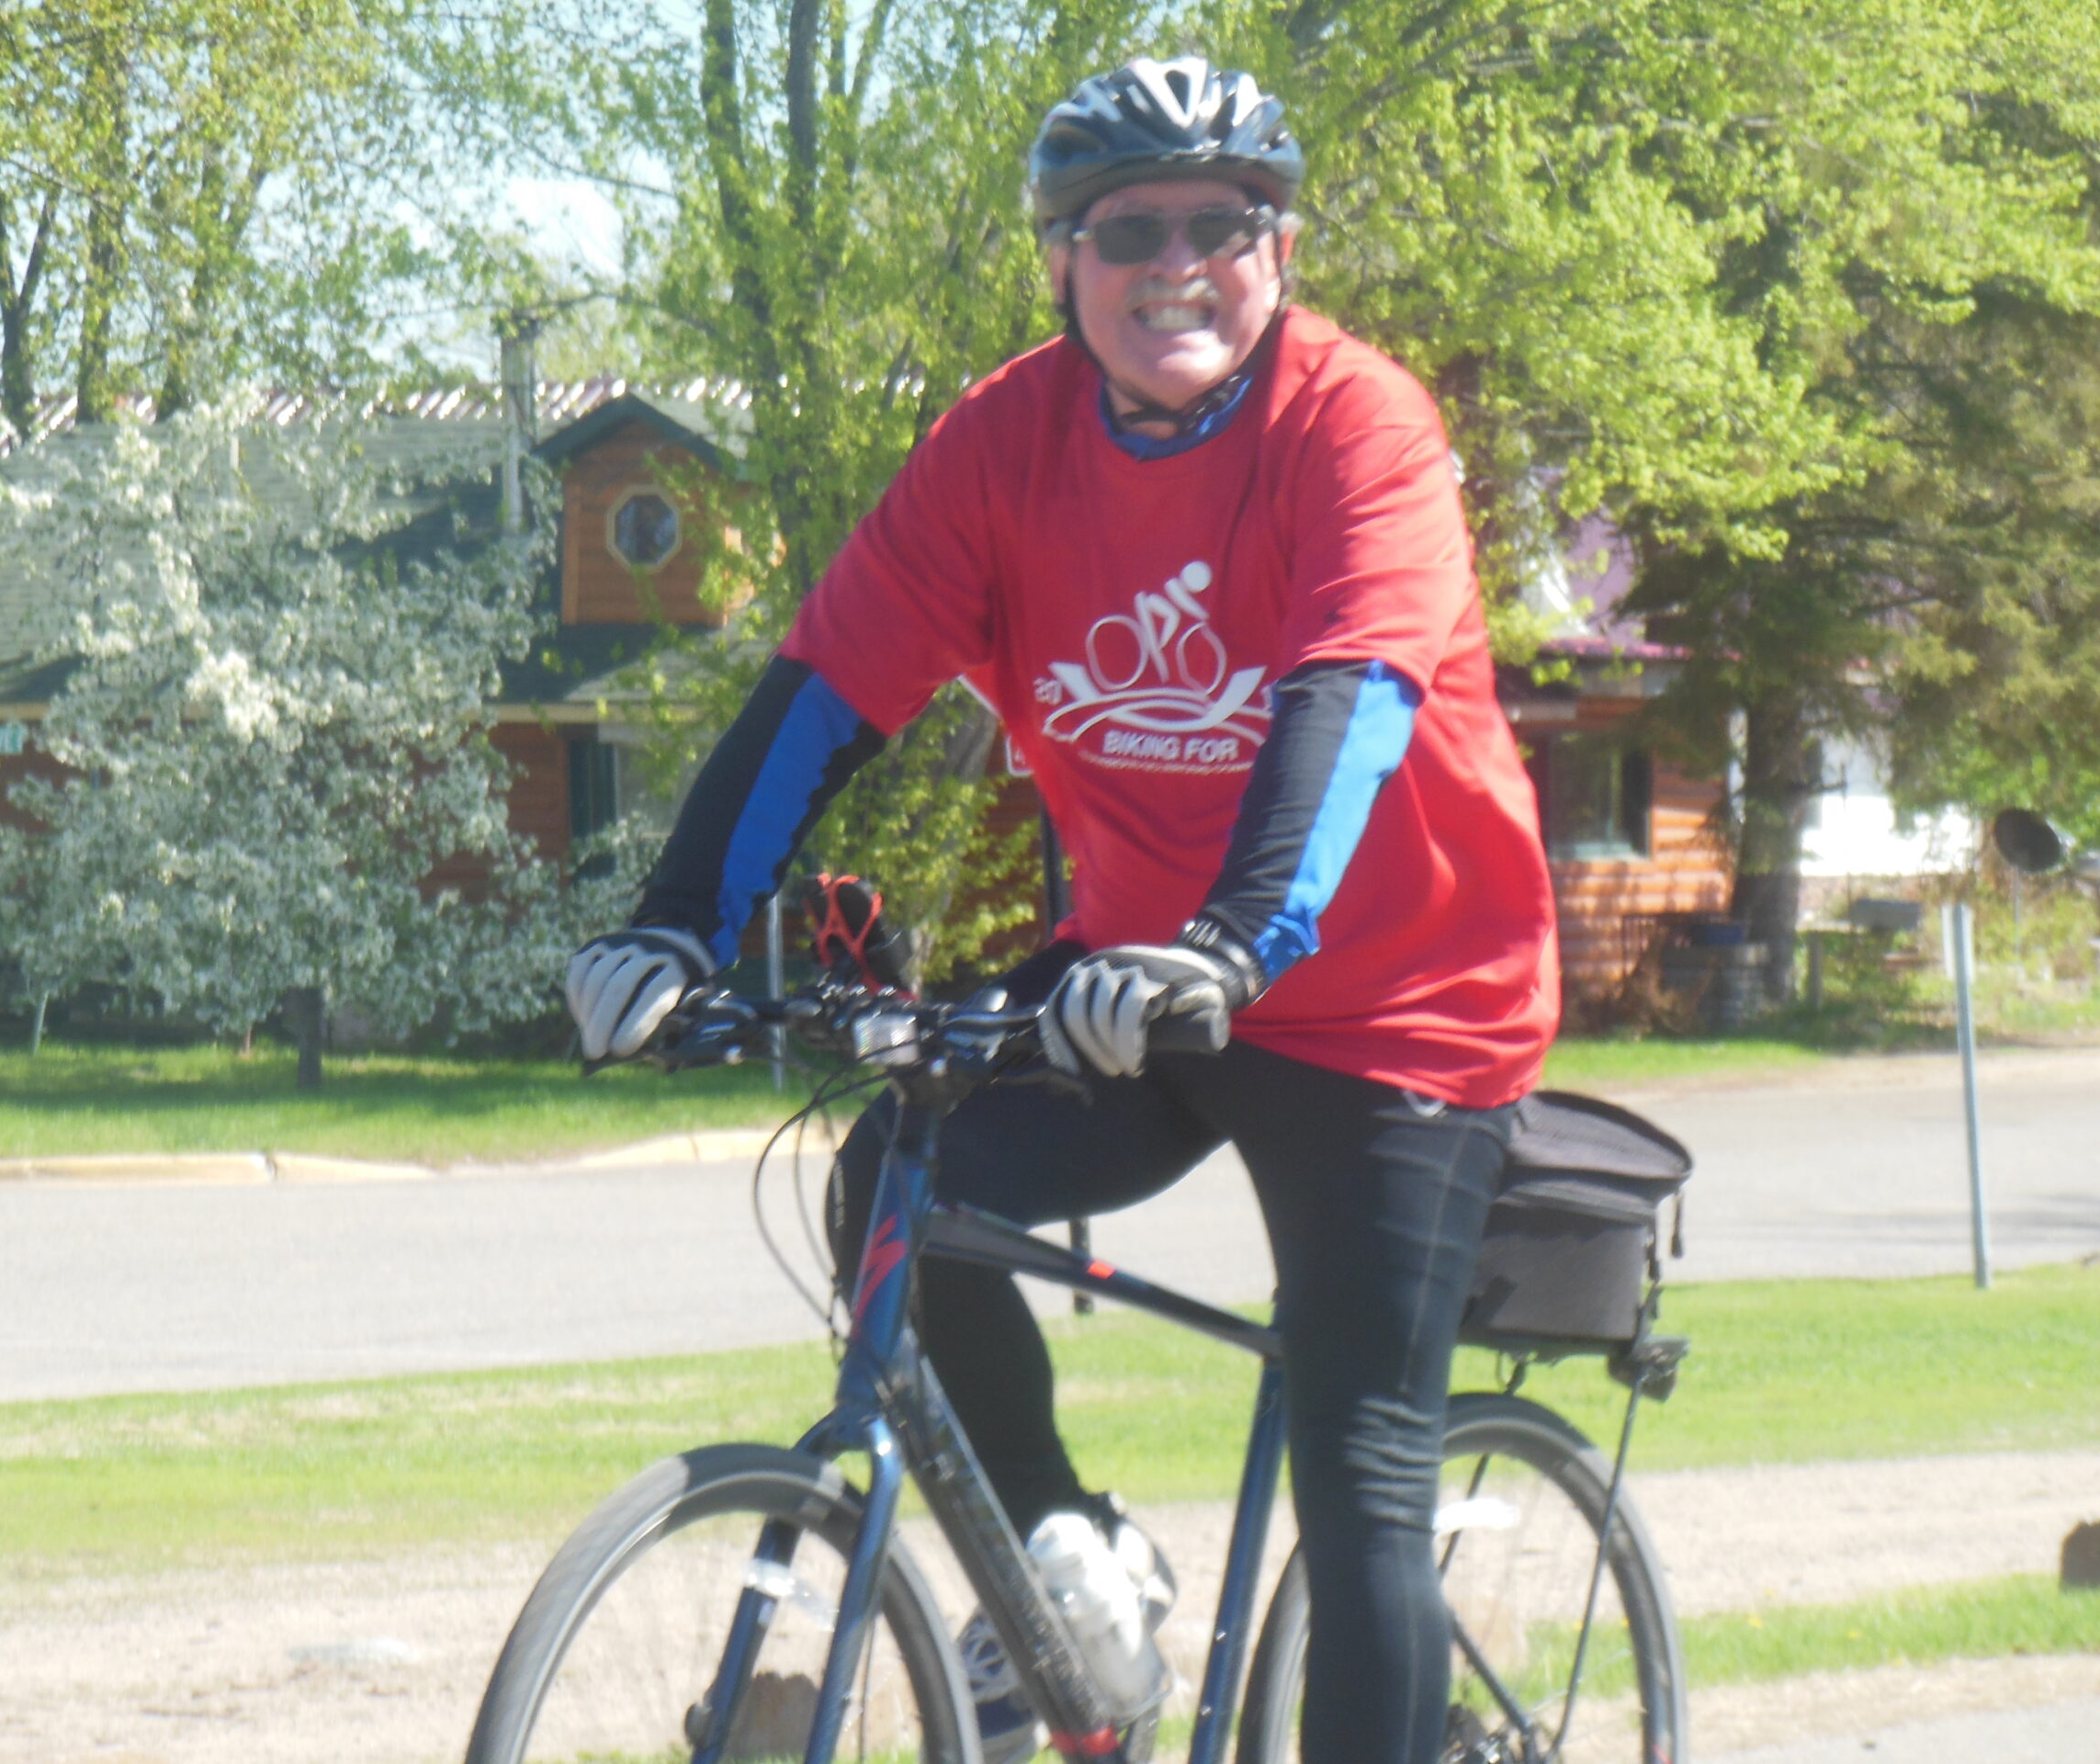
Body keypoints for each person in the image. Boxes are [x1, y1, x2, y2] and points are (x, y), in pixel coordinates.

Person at [565, 55, 1559, 1763]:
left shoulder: (1356, 423)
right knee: (900, 1177)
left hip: (1400, 1006)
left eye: (1220, 224)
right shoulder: (1002, 446)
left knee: (1363, 1470)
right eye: (1125, 230)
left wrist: (1240, 941)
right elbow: (826, 688)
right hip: (1148, 976)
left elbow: (1348, 700)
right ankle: (1068, 1561)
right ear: (1061, 261)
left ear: (1281, 248)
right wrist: (678, 922)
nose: (1176, 263)